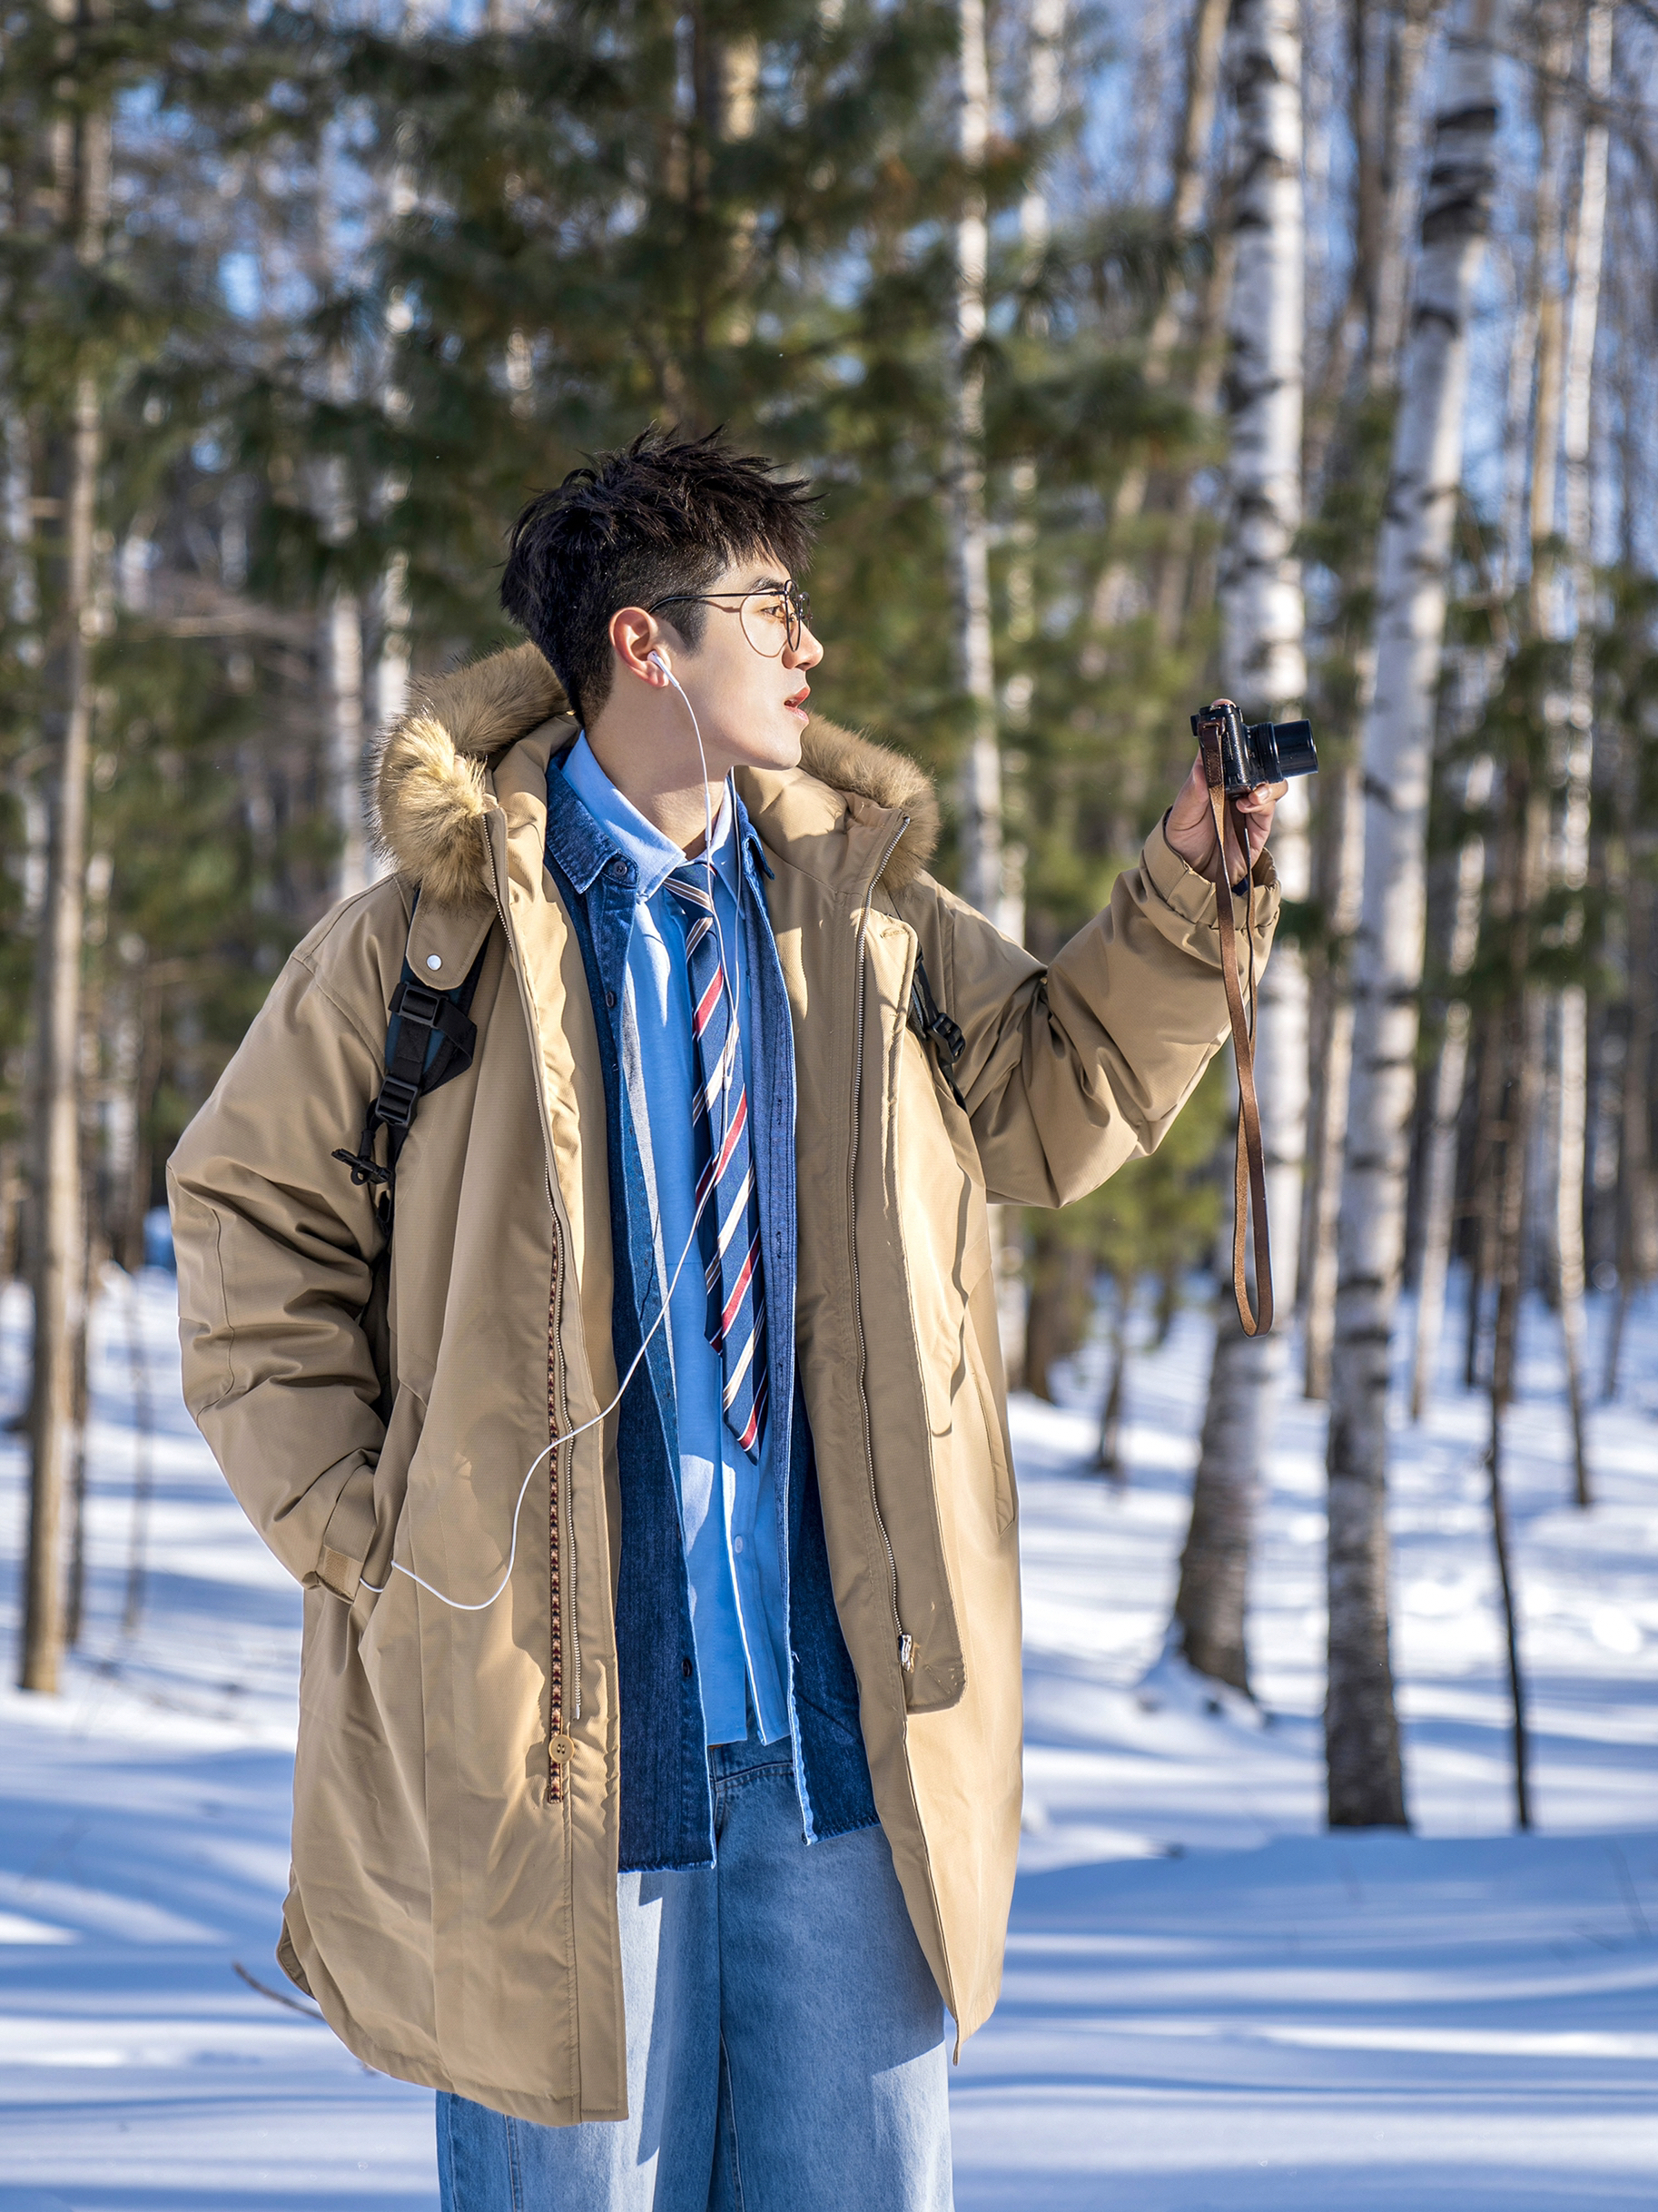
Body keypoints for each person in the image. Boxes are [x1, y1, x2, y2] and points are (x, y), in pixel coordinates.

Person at [169, 429, 1284, 2210]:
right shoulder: (420, 947)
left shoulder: (867, 918)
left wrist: (1184, 892)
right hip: (556, 1737)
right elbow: (244, 1220)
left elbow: (1055, 1097)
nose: (809, 648)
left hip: (841, 1724)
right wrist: (367, 1535)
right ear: (644, 643)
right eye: (769, 609)